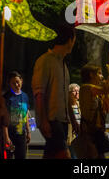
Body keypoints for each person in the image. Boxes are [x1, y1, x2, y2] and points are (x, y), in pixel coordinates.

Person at [31, 24, 76, 159]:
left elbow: (66, 97)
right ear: (69, 40)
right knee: (64, 155)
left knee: (52, 155)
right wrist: (43, 120)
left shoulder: (63, 65)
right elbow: (39, 93)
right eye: (74, 40)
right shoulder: (45, 61)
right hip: (51, 119)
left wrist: (73, 121)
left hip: (62, 120)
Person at [78, 63, 109, 159]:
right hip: (88, 134)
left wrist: (105, 93)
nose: (102, 76)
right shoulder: (86, 88)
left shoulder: (98, 92)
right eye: (99, 73)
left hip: (97, 133)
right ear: (91, 74)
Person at [4, 71, 31, 159]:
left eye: (17, 82)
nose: (16, 84)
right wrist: (6, 137)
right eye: (13, 83)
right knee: (7, 157)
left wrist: (28, 131)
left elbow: (25, 114)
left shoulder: (25, 96)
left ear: (21, 81)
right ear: (9, 84)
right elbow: (3, 118)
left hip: (21, 133)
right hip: (10, 134)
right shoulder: (7, 97)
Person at [68, 83, 81, 159]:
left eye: (78, 91)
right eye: (74, 91)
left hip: (80, 135)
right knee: (73, 156)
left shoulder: (80, 105)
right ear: (69, 93)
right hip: (71, 136)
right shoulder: (67, 107)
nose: (77, 93)